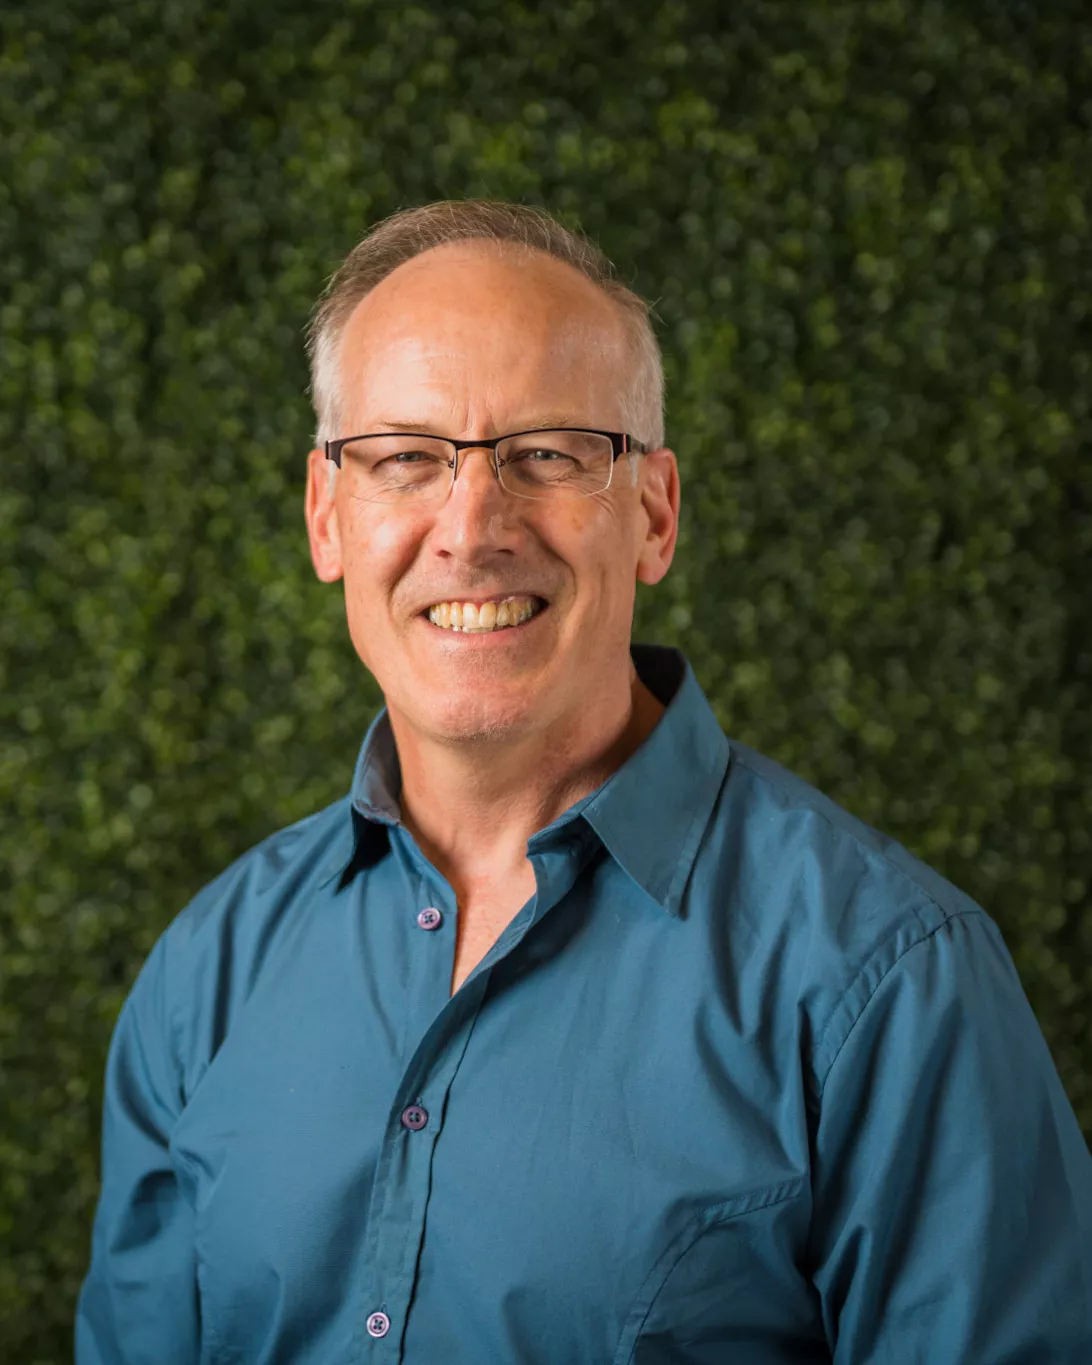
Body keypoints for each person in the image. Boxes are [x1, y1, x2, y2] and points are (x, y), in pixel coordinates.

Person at [76, 199, 1092, 1364]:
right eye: (405, 459)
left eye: (546, 455)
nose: (471, 527)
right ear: (327, 519)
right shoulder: (207, 975)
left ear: (654, 515)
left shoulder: (894, 984)